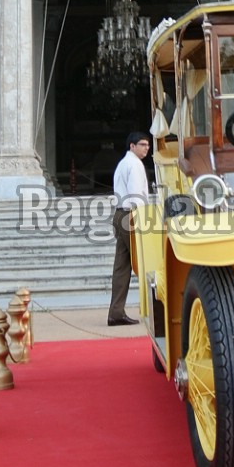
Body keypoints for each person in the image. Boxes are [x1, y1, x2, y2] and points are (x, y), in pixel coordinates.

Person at [107, 130, 151, 326]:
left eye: (148, 145)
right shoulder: (134, 164)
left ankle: (116, 312)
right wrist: (144, 220)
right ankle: (152, 307)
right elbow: (135, 195)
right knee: (145, 260)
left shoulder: (124, 163)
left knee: (122, 266)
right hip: (131, 214)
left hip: (121, 214)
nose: (146, 148)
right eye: (142, 145)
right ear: (132, 146)